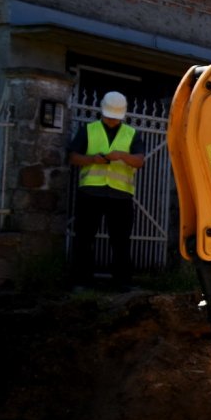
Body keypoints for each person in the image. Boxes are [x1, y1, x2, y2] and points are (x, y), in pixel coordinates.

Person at [68, 91, 146, 290]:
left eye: (115, 117)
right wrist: (93, 159)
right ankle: (81, 281)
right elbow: (73, 157)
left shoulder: (131, 133)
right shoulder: (88, 129)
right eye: (109, 116)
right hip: (90, 193)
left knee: (121, 241)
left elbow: (139, 161)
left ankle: (122, 283)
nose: (111, 120)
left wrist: (121, 155)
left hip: (120, 195)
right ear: (102, 111)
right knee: (84, 238)